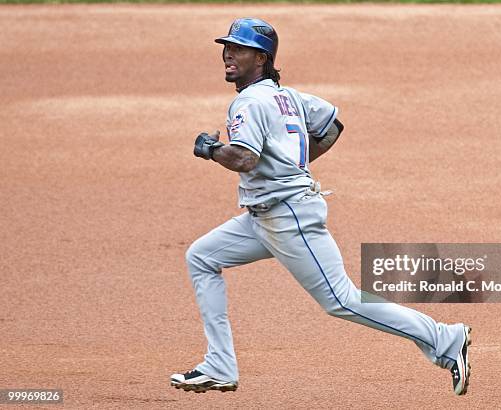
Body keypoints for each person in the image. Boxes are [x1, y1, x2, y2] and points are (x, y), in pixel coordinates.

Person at [170, 17, 472, 396]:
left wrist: (211, 149)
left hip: (288, 217)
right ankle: (219, 365)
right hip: (266, 218)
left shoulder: (247, 102)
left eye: (238, 48)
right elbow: (331, 125)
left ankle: (445, 339)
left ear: (260, 58)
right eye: (226, 47)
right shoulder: (289, 96)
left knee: (341, 300)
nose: (228, 54)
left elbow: (244, 158)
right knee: (202, 257)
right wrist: (293, 163)